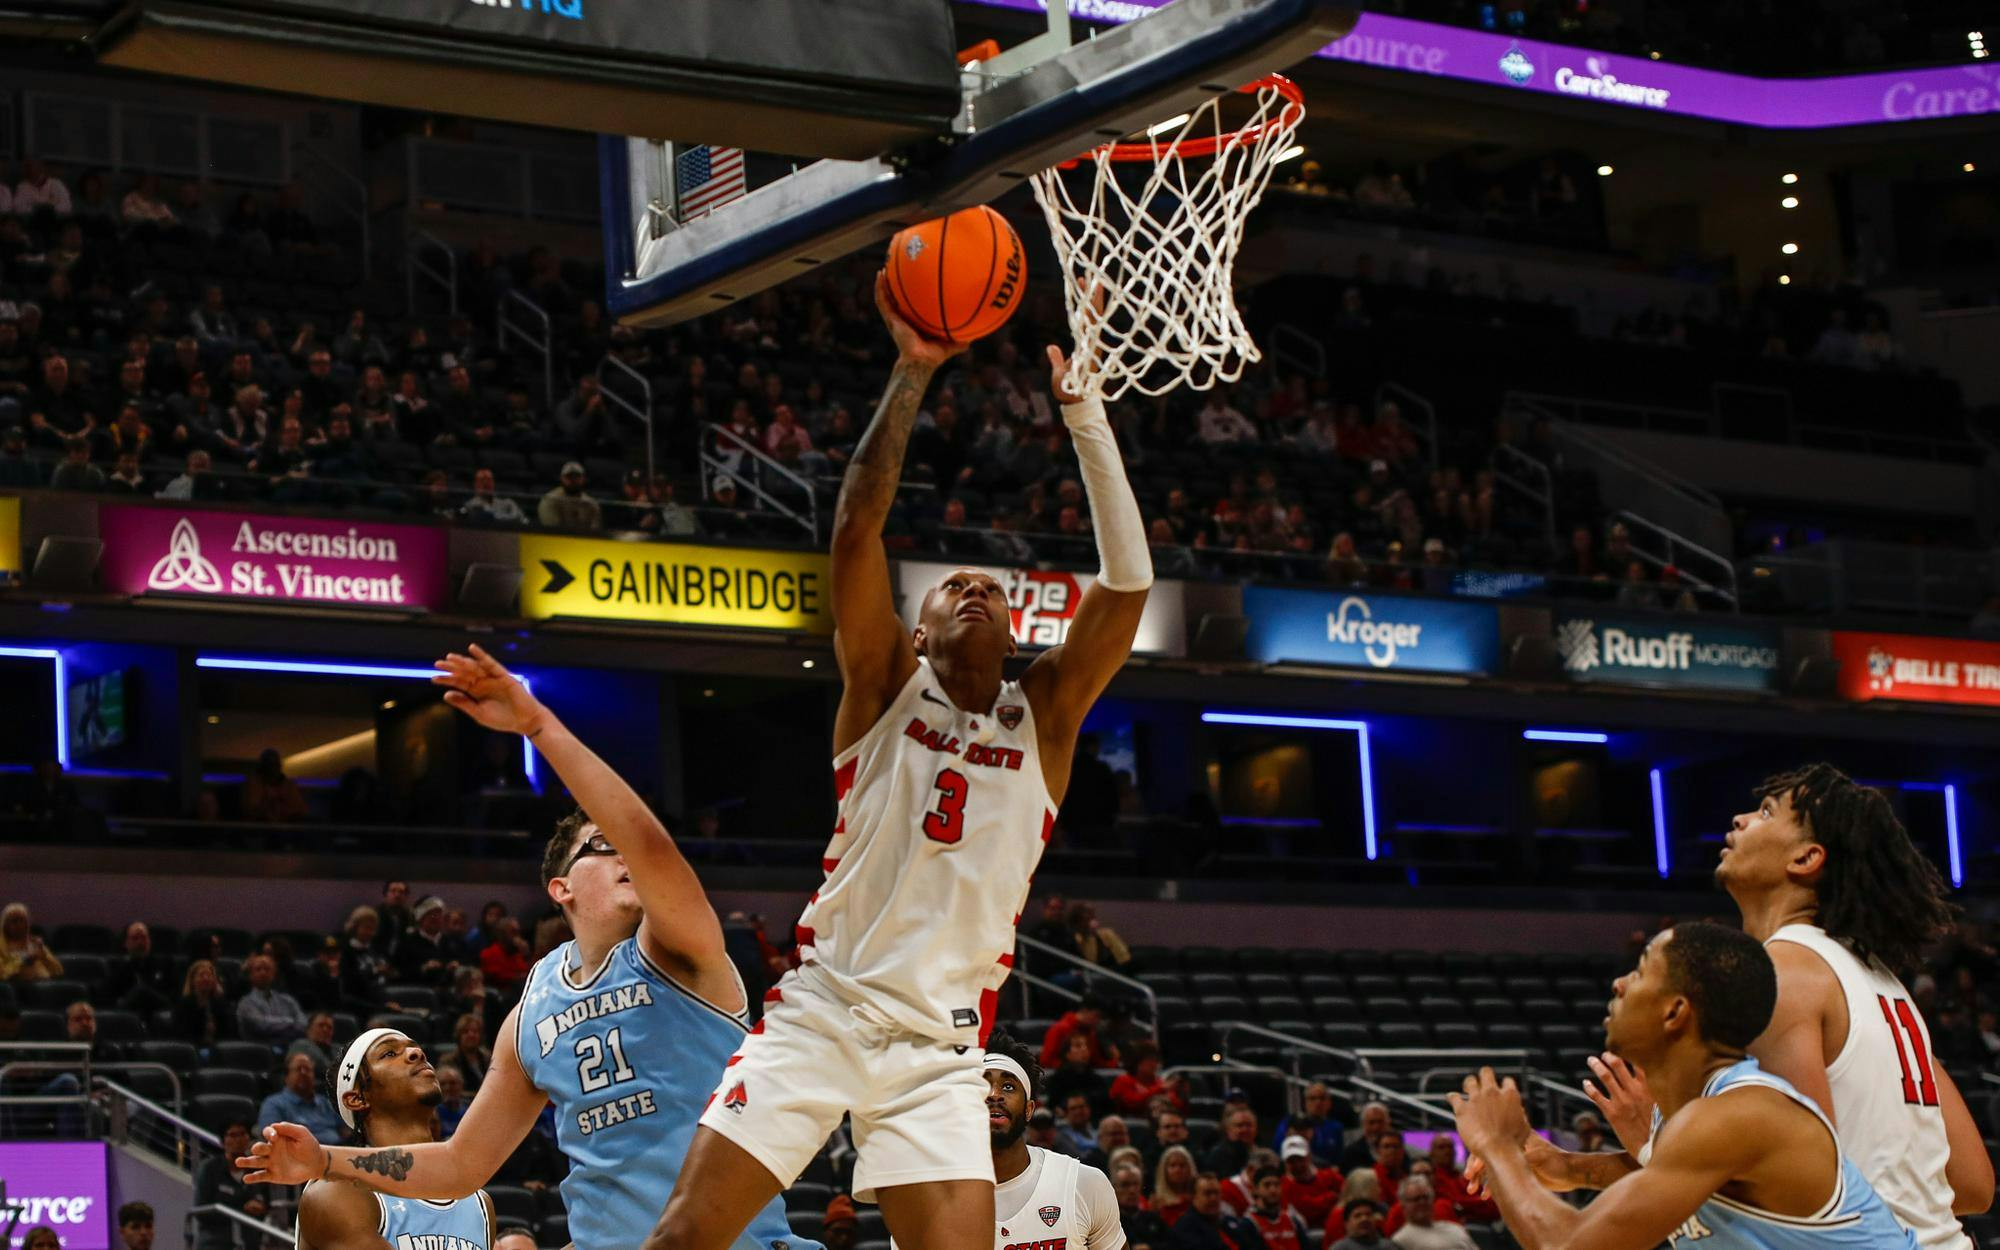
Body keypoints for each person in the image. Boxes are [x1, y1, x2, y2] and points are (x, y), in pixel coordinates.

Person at [636, 273, 1151, 1250]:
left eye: (989, 588)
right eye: (947, 585)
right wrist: (913, 370)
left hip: (941, 1049)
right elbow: (853, 530)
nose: (969, 586)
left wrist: (1085, 416)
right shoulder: (879, 691)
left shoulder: (1041, 719)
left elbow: (1126, 582)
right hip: (822, 1011)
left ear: (1016, 634)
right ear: (914, 633)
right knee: (680, 1240)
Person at [237, 644, 817, 1250]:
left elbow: (648, 842)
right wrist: (324, 1160)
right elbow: (463, 1163)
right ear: (560, 887)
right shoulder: (533, 1011)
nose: (622, 852)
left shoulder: (680, 950)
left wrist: (539, 726)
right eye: (601, 846)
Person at [1588, 764, 1992, 1247]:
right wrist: (1571, 1166)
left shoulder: (1783, 974)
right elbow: (1971, 1185)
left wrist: (1651, 1145)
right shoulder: (1885, 985)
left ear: (1806, 858)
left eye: (1764, 812)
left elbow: (1801, 1201)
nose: (1739, 819)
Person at [1452, 923, 1920, 1250]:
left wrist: (1497, 1145)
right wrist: (1566, 1166)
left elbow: (1567, 1243)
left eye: (1638, 972)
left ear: (1675, 1012)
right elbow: (1674, 1179)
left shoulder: (1741, 1113)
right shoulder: (1699, 1118)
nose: (1618, 983)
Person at [906, 1029, 1124, 1250]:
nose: (994, 1094)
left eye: (1008, 1086)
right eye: (981, 1085)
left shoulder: (1082, 1183)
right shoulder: (925, 1207)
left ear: (1029, 1109)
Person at [294, 1028, 494, 1250]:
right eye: (389, 1053)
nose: (416, 1053)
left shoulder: (479, 1203)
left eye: (413, 1046)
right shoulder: (337, 1190)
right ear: (357, 1098)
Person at [194, 1121, 272, 1250]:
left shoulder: (257, 1168)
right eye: (233, 1135)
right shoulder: (209, 1169)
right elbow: (201, 1210)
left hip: (249, 1243)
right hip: (215, 1243)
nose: (239, 1140)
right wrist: (242, 1210)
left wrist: (261, 1208)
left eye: (243, 1134)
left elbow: (266, 1203)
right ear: (223, 1140)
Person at [257, 1052, 345, 1145]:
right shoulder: (273, 1104)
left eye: (307, 1069)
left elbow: (346, 1131)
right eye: (298, 1069)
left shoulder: (325, 1103)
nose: (303, 1073)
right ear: (286, 1077)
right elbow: (273, 1138)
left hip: (336, 1153)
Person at [1168, 1174, 1266, 1250]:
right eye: (1208, 1193)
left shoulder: (1229, 1222)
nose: (1214, 1198)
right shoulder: (1186, 1228)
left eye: (1216, 1193)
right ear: (1193, 1197)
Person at [1385, 1177, 1471, 1250]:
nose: (1422, 1202)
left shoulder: (1454, 1227)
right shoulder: (1401, 1240)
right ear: (1404, 1205)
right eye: (1416, 1199)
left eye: (1426, 1197)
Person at [175, 959, 235, 1050]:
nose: (206, 978)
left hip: (218, 1048)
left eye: (209, 975)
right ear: (192, 980)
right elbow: (182, 1034)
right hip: (192, 1048)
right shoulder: (184, 1004)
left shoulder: (220, 1004)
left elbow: (228, 1032)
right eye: (201, 975)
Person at [1245, 1165, 1309, 1250]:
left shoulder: (1293, 1221)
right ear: (1255, 1190)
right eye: (1267, 1185)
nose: (1273, 1190)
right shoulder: (1249, 1224)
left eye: (1276, 1184)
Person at [0, 902, 63, 981]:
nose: (19, 925)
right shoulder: (1, 947)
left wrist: (44, 957)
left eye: (22, 920)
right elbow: (2, 973)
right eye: (14, 921)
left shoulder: (35, 943)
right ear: (5, 925)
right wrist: (24, 961)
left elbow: (58, 971)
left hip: (43, 986)